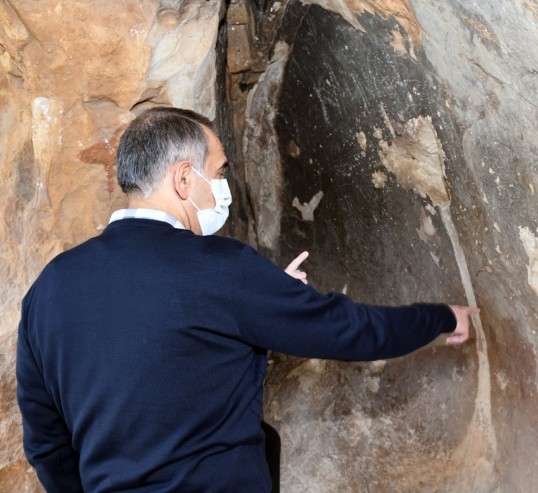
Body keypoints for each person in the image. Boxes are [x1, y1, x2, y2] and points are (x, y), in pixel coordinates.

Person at [16, 106, 479, 492]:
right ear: (183, 178)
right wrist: (439, 316)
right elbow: (349, 331)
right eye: (217, 172)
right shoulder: (220, 269)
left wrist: (263, 298)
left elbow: (47, 444)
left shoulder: (49, 288)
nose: (222, 188)